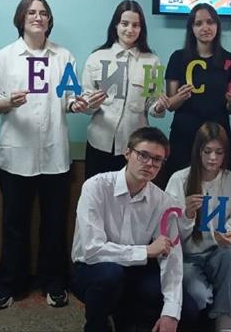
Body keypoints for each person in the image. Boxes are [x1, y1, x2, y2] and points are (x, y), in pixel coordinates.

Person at [0, 0, 85, 310]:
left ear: (49, 20)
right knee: (14, 225)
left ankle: (54, 283)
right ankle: (9, 284)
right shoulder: (5, 57)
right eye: (31, 12)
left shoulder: (64, 57)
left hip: (55, 156)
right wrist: (9, 102)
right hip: (16, 155)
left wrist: (79, 104)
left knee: (54, 225)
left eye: (43, 13)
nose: (38, 17)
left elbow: (70, 98)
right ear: (21, 18)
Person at [70, 127, 196, 332]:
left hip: (136, 269)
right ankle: (98, 325)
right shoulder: (96, 187)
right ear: (127, 153)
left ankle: (126, 317)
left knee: (187, 311)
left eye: (157, 160)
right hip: (93, 269)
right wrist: (145, 251)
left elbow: (172, 258)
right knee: (110, 275)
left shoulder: (163, 201)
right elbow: (92, 250)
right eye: (143, 155)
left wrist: (170, 312)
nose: (149, 164)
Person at [165, 122, 231, 332]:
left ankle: (224, 313)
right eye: (207, 151)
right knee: (200, 298)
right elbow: (167, 231)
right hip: (187, 258)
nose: (213, 158)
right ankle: (209, 299)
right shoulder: (179, 179)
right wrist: (187, 214)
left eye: (219, 152)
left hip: (218, 253)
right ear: (198, 151)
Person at [81, 0, 168, 180]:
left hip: (135, 148)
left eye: (136, 25)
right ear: (116, 25)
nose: (130, 29)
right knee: (97, 193)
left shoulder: (153, 61)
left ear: (141, 29)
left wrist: (159, 107)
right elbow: (85, 103)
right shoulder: (96, 58)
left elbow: (152, 104)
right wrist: (91, 103)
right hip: (99, 142)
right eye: (125, 23)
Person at [162, 3, 231, 184]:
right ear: (191, 28)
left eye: (210, 22)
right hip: (184, 135)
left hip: (218, 136)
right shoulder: (177, 58)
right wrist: (179, 97)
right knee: (180, 186)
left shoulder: (230, 60)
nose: (205, 28)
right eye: (198, 23)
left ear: (217, 26)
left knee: (218, 186)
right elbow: (170, 105)